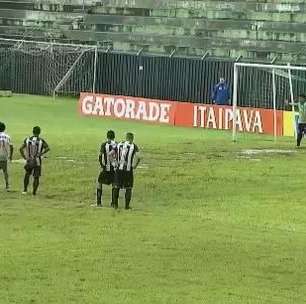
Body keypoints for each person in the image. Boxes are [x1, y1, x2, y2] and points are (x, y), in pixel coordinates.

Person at [112, 132, 140, 210]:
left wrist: (114, 163)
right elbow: (139, 157)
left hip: (119, 169)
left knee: (116, 186)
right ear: (132, 138)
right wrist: (135, 165)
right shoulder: (134, 146)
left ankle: (115, 205)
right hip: (128, 170)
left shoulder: (119, 144)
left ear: (126, 138)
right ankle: (126, 206)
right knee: (128, 188)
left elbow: (110, 154)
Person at [19, 126, 50, 195]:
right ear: (39, 132)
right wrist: (41, 153)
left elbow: (21, 149)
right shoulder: (41, 140)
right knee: (36, 177)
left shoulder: (27, 139)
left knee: (27, 174)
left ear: (33, 131)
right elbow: (47, 148)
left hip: (29, 160)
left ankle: (25, 190)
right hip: (37, 161)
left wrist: (24, 157)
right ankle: (34, 192)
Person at [96, 130, 117, 207]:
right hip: (113, 169)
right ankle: (113, 203)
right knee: (114, 184)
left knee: (99, 183)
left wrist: (102, 165)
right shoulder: (116, 145)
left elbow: (100, 156)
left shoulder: (104, 144)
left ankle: (99, 203)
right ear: (114, 137)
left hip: (105, 168)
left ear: (107, 136)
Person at [0, 122, 13, 191]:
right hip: (4, 155)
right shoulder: (7, 136)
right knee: (5, 171)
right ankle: (7, 185)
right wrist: (10, 156)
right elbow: (11, 146)